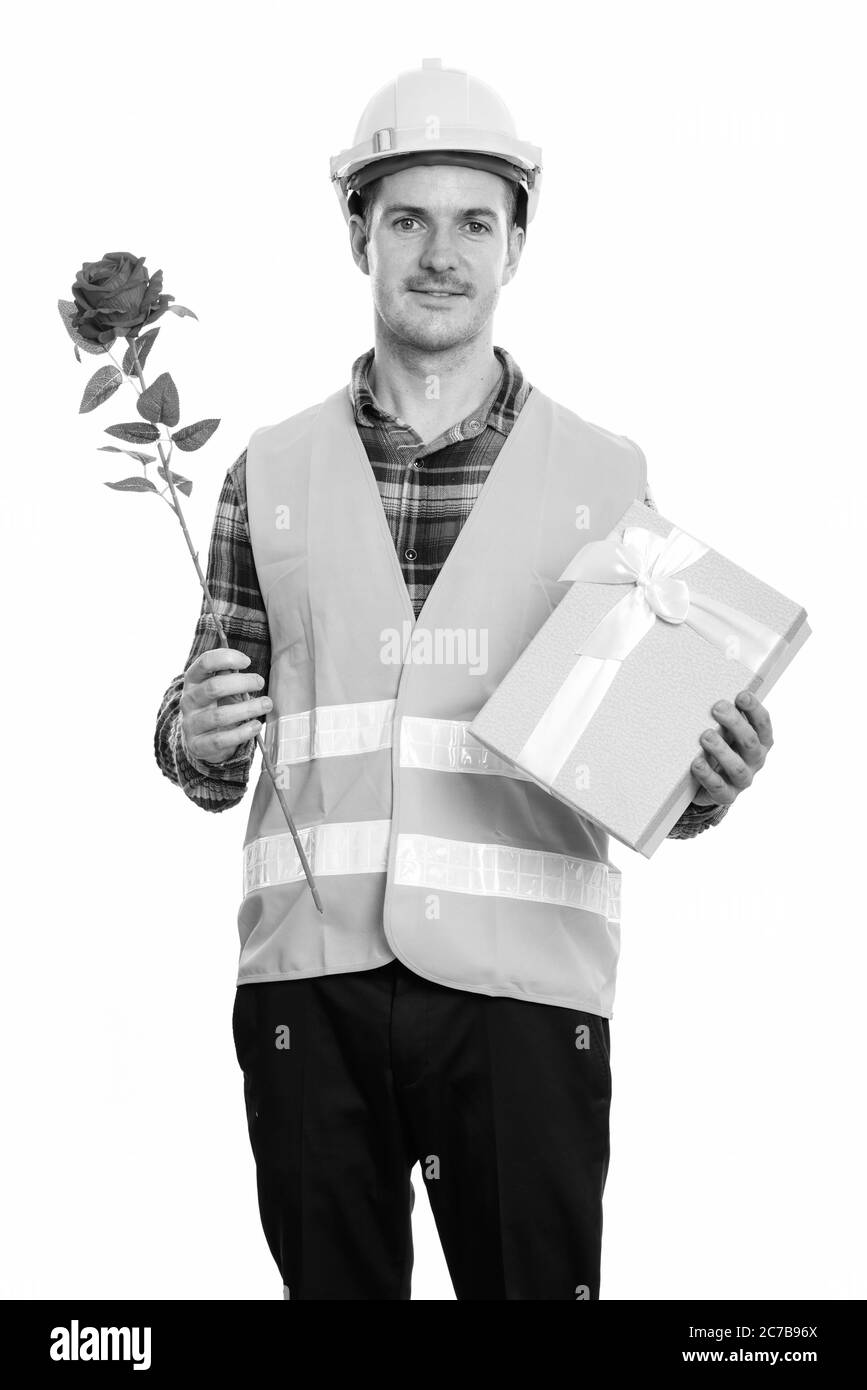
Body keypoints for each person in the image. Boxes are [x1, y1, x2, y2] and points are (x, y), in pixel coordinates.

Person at [155, 58, 775, 1300]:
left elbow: (642, 761)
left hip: (523, 993)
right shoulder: (266, 472)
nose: (441, 253)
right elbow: (196, 736)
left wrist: (708, 777)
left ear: (516, 245)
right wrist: (199, 735)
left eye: (474, 223)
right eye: (408, 221)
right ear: (359, 235)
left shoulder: (606, 477)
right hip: (310, 983)